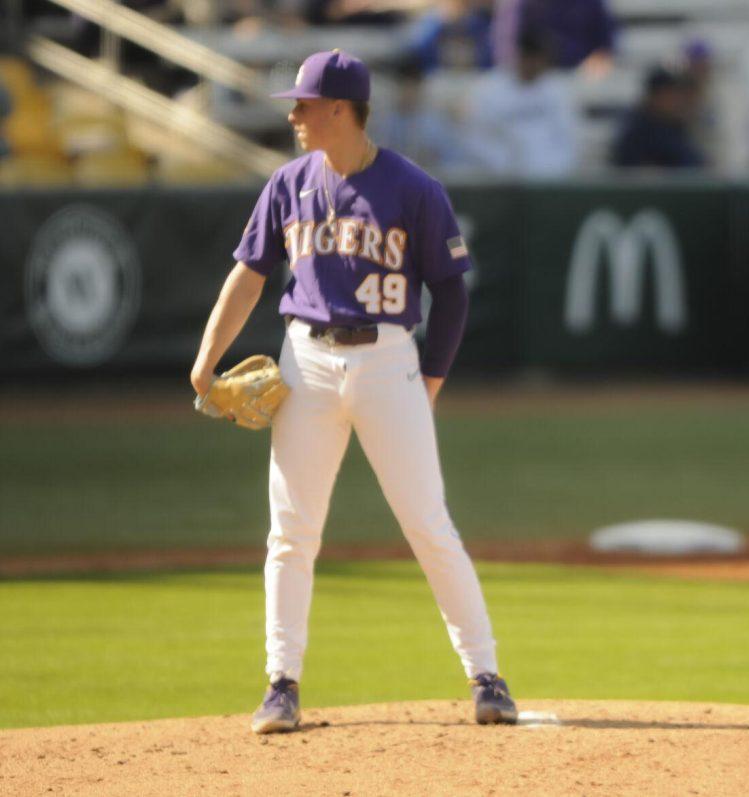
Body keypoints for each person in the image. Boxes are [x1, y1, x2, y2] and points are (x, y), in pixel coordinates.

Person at [189, 49, 518, 734]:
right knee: (291, 532)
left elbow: (451, 291)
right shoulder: (287, 183)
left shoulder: (414, 189)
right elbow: (250, 275)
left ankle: (486, 674)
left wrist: (430, 377)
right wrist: (206, 358)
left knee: (428, 522)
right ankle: (281, 684)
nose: (292, 114)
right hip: (304, 360)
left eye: (304, 104)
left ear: (341, 110)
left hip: (388, 358)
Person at [462, 30, 579, 176]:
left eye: (539, 59)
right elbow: (477, 137)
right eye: (529, 58)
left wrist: (550, 171)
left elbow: (569, 140)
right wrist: (504, 166)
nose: (533, 64)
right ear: (519, 56)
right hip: (499, 179)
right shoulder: (488, 89)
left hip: (550, 177)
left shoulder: (557, 90)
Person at [611, 66, 704, 168]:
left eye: (675, 95)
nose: (675, 101)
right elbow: (628, 166)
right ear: (654, 96)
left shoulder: (674, 126)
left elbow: (692, 160)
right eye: (668, 95)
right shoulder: (638, 130)